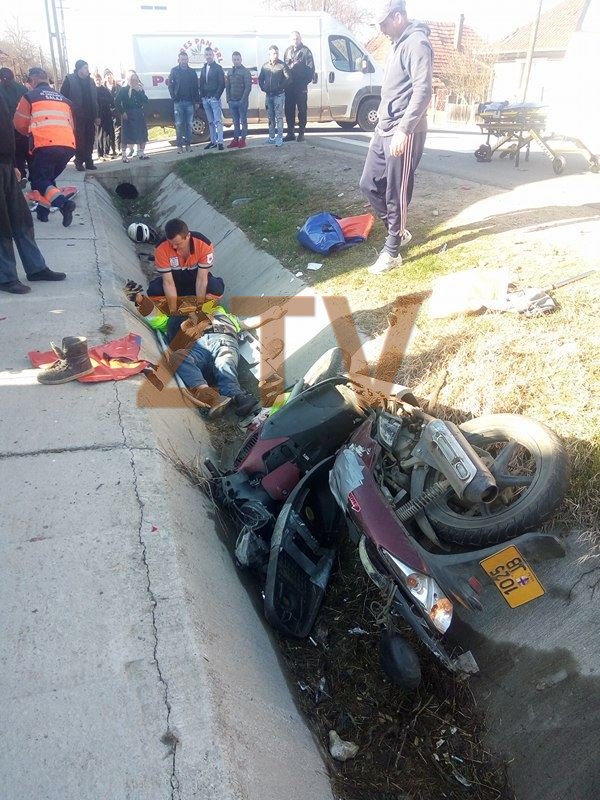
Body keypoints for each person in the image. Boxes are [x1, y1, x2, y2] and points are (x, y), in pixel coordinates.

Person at [359, 1, 432, 275]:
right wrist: (379, 125)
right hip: (385, 128)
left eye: (384, 23)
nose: (381, 29)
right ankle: (398, 230)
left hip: (404, 130)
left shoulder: (417, 43)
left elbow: (423, 91)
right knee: (369, 183)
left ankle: (392, 252)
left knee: (396, 191)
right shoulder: (397, 44)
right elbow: (391, 91)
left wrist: (404, 130)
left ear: (398, 17)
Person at [0, 94, 66, 294]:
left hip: (6, 164)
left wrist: (13, 164)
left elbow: (6, 130)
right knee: (2, 225)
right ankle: (6, 277)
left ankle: (36, 268)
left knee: (22, 219)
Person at [13, 67, 77, 226]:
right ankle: (43, 213)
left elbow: (19, 124)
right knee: (47, 181)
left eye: (29, 82)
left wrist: (30, 134)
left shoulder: (29, 97)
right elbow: (71, 125)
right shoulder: (64, 99)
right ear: (47, 79)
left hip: (45, 145)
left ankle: (64, 204)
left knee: (39, 180)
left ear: (33, 81)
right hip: (68, 146)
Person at [147, 218, 224, 313]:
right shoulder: (161, 248)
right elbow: (168, 283)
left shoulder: (203, 244)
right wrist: (173, 310)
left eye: (178, 244)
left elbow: (202, 279)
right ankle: (169, 313)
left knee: (215, 289)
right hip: (175, 284)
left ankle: (206, 310)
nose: (174, 247)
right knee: (154, 291)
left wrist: (199, 307)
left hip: (196, 283)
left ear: (188, 236)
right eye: (171, 244)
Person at [60, 59, 99, 171]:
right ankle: (79, 161)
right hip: (76, 115)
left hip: (90, 115)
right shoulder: (70, 80)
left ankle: (89, 161)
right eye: (85, 68)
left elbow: (96, 99)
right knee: (79, 139)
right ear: (79, 69)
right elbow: (63, 97)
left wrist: (97, 115)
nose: (87, 70)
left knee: (90, 138)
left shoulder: (91, 81)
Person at [283, 31, 315, 142]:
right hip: (289, 87)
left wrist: (303, 83)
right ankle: (290, 133)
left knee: (302, 111)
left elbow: (311, 70)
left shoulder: (306, 51)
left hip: (301, 87)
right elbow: (284, 68)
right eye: (293, 39)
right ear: (290, 40)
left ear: (300, 39)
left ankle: (301, 133)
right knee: (289, 110)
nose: (295, 41)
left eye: (297, 39)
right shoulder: (287, 51)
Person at [0, 68, 29, 184]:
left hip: (7, 126)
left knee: (14, 153)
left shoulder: (1, 89)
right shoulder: (22, 88)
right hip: (22, 124)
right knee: (24, 150)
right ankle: (25, 176)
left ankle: (18, 177)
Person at [168, 51, 200, 154]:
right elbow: (170, 85)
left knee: (189, 125)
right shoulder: (174, 71)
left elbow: (196, 87)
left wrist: (197, 101)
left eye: (185, 59)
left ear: (187, 60)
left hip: (189, 102)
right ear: (179, 60)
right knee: (179, 125)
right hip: (178, 103)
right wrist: (174, 97)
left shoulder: (192, 72)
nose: (184, 61)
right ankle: (179, 146)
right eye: (182, 59)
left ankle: (188, 145)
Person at [258, 45, 290, 147]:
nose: (275, 55)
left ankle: (279, 137)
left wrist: (280, 88)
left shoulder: (282, 65)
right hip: (269, 95)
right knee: (270, 117)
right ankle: (271, 137)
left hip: (279, 95)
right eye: (273, 53)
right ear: (269, 54)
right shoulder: (265, 66)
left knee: (279, 117)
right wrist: (263, 87)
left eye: (276, 53)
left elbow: (288, 78)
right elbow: (260, 79)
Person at [114, 71, 149, 162]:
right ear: (129, 80)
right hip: (128, 114)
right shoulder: (124, 90)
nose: (135, 82)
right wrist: (122, 112)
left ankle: (141, 153)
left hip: (139, 113)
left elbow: (145, 100)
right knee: (127, 135)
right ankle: (124, 155)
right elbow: (116, 101)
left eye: (136, 80)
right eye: (133, 80)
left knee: (142, 134)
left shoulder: (140, 89)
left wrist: (139, 92)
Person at [198, 47, 225, 151]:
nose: (208, 56)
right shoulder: (204, 68)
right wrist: (202, 97)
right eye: (206, 55)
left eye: (210, 54)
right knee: (210, 122)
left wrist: (216, 96)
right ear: (204, 56)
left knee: (217, 121)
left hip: (214, 98)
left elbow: (222, 83)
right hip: (206, 99)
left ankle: (220, 142)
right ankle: (213, 141)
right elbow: (201, 83)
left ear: (213, 55)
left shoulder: (218, 68)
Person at [226, 51, 252, 149]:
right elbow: (227, 86)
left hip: (242, 102)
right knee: (235, 122)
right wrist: (228, 99)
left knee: (243, 122)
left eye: (237, 59)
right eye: (234, 59)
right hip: (232, 102)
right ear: (232, 60)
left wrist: (242, 100)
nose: (236, 61)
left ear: (241, 60)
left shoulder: (245, 72)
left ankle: (243, 140)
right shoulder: (230, 72)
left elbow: (248, 87)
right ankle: (235, 140)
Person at [94, 73, 116, 160]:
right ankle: (100, 154)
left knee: (108, 134)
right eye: (96, 80)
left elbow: (111, 100)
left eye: (99, 80)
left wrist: (113, 109)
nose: (98, 81)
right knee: (100, 135)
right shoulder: (93, 91)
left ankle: (106, 152)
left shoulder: (105, 90)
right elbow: (94, 103)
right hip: (99, 115)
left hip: (107, 114)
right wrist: (96, 116)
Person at [103, 69, 121, 153]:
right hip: (106, 112)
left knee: (118, 129)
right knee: (108, 131)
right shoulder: (103, 88)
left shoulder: (118, 86)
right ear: (105, 77)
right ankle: (110, 149)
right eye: (107, 75)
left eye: (110, 74)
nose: (109, 76)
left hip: (116, 111)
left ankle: (118, 147)